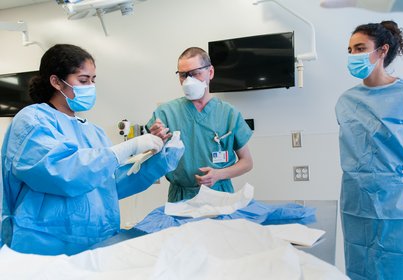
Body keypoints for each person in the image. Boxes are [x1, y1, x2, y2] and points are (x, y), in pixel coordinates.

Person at [0, 44, 170, 256]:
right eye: (83, 80)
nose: (90, 86)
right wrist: (129, 147)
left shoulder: (93, 131)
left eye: (93, 80)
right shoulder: (32, 120)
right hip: (45, 241)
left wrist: (158, 157)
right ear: (55, 81)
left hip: (96, 237)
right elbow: (62, 171)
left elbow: (108, 184)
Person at [335, 21, 403, 279]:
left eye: (360, 48)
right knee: (362, 265)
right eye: (350, 50)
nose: (353, 55)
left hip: (400, 204)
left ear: (382, 51)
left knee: (401, 265)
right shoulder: (345, 101)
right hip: (357, 203)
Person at [147, 47, 253, 202]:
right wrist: (154, 142)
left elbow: (247, 162)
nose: (189, 81)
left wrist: (219, 174)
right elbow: (150, 162)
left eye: (195, 73)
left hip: (220, 195)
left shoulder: (229, 114)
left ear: (210, 72)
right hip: (181, 197)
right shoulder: (165, 113)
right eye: (183, 75)